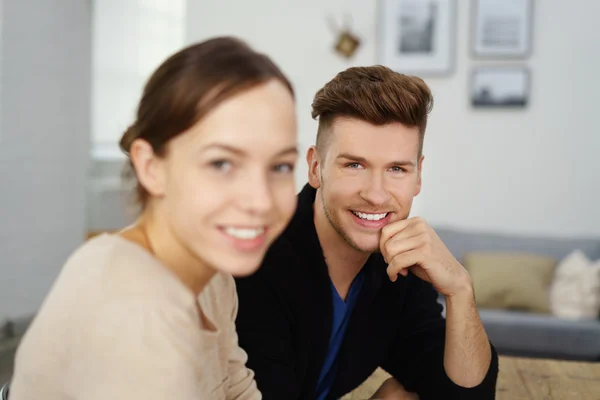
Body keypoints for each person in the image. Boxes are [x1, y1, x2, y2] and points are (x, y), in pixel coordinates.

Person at [10, 37, 298, 399]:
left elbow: (234, 383)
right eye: (221, 163)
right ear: (150, 166)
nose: (260, 199)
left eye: (280, 166)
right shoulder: (133, 317)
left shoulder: (211, 272)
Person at [234, 65, 499, 400]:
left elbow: (465, 396)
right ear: (316, 168)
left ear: (418, 177)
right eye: (354, 165)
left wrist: (460, 289)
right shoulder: (259, 256)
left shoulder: (399, 263)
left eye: (396, 169)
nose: (376, 194)